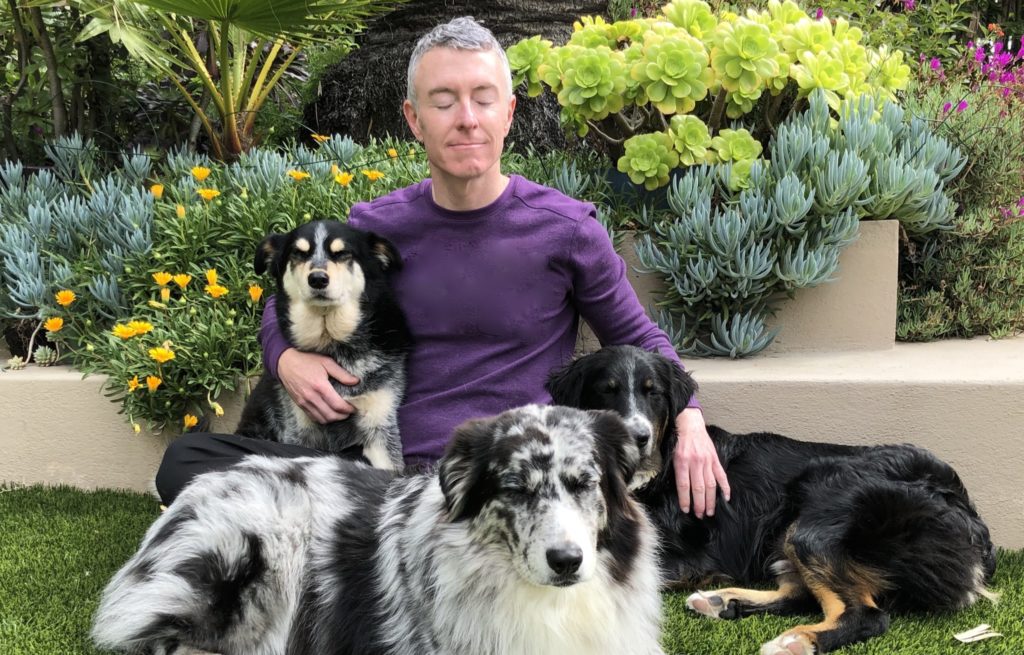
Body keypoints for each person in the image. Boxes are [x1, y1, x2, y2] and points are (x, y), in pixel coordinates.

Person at [156, 16, 729, 518]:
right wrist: (286, 360)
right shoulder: (375, 227)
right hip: (376, 461)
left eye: (483, 97)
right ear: (413, 118)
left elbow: (637, 336)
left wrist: (691, 421)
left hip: (505, 466)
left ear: (509, 112)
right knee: (187, 462)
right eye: (443, 100)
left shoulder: (567, 229)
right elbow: (288, 297)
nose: (466, 118)